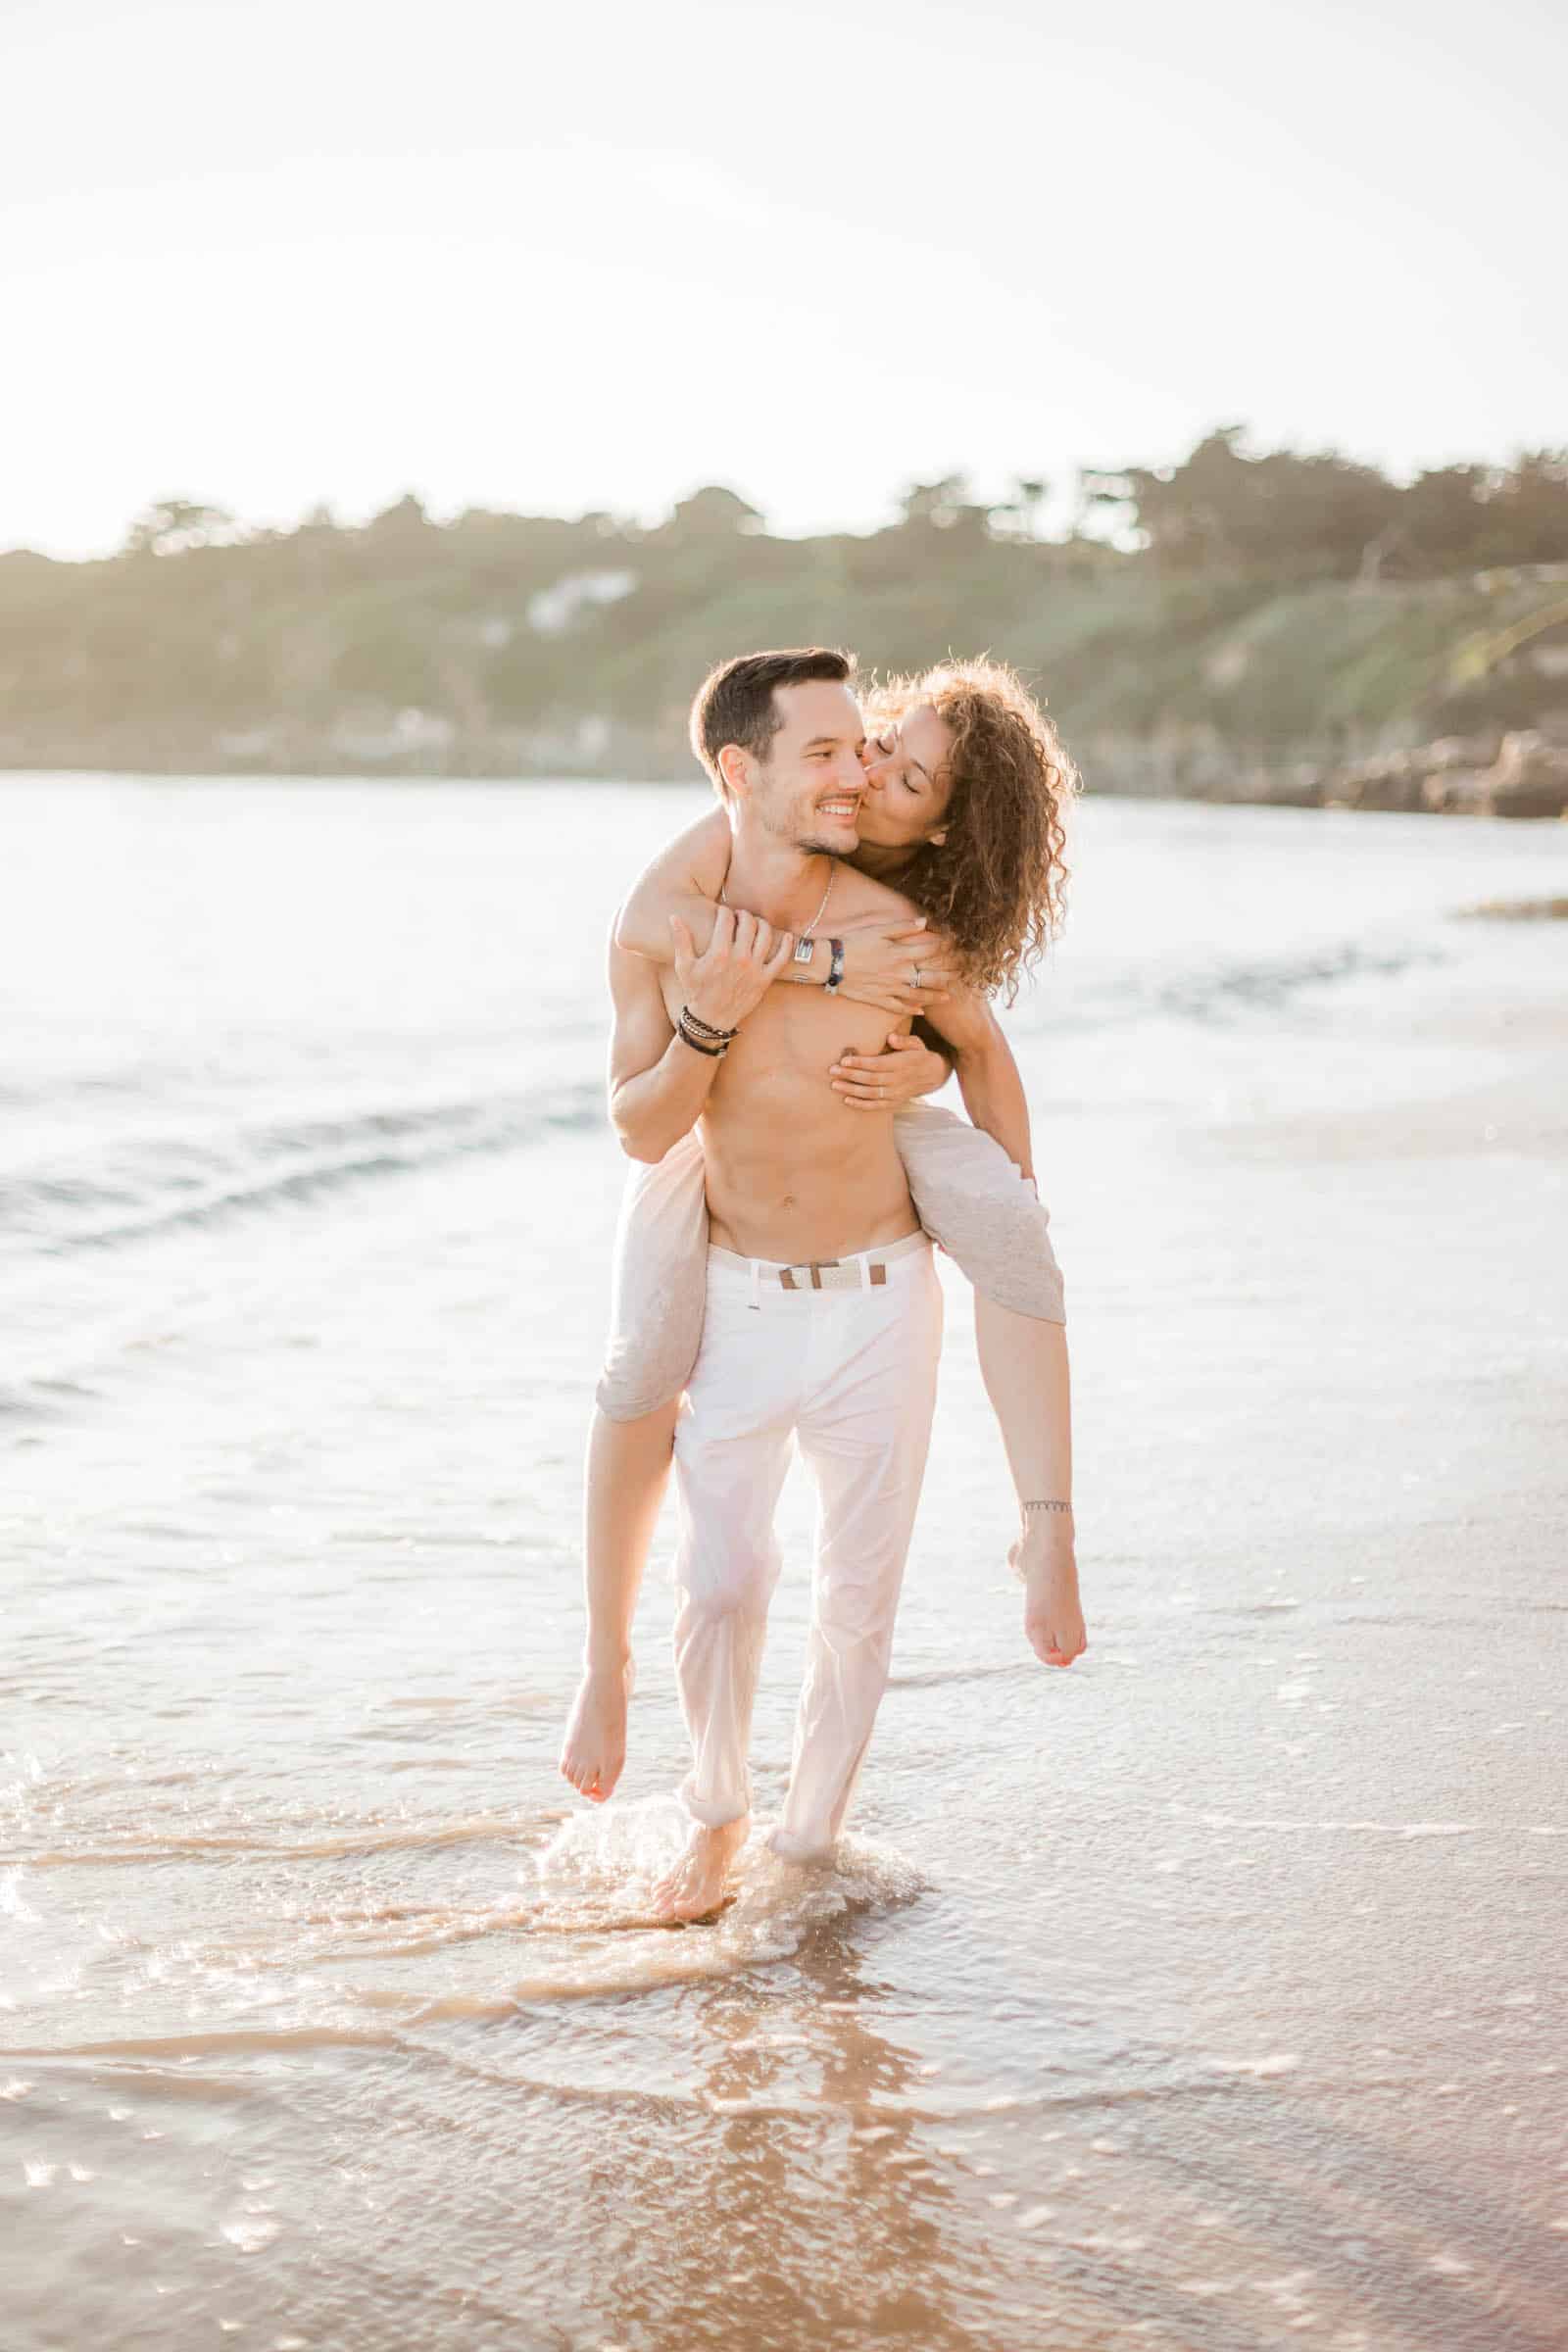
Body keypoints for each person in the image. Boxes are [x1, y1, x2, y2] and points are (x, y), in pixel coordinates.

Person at [561, 650, 1088, 1890]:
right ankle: (699, 1788)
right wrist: (757, 992)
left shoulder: (906, 919)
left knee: (861, 1595)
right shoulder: (684, 896)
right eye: (845, 751)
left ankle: (808, 1843)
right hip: (735, 1269)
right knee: (717, 1561)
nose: (862, 775)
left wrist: (1001, 1182)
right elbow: (645, 1052)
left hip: (880, 1282)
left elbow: (984, 1051)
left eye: (883, 764)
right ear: (748, 771)